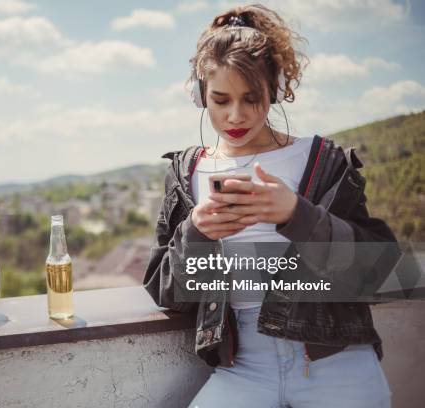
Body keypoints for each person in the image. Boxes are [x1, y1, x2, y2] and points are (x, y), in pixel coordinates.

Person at [142, 4, 401, 408]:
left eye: (252, 98)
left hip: (336, 363)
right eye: (220, 99)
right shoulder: (186, 171)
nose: (235, 115)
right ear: (199, 94)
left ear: (277, 88)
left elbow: (381, 271)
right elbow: (167, 291)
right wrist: (196, 232)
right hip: (242, 366)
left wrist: (297, 215)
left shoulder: (322, 161)